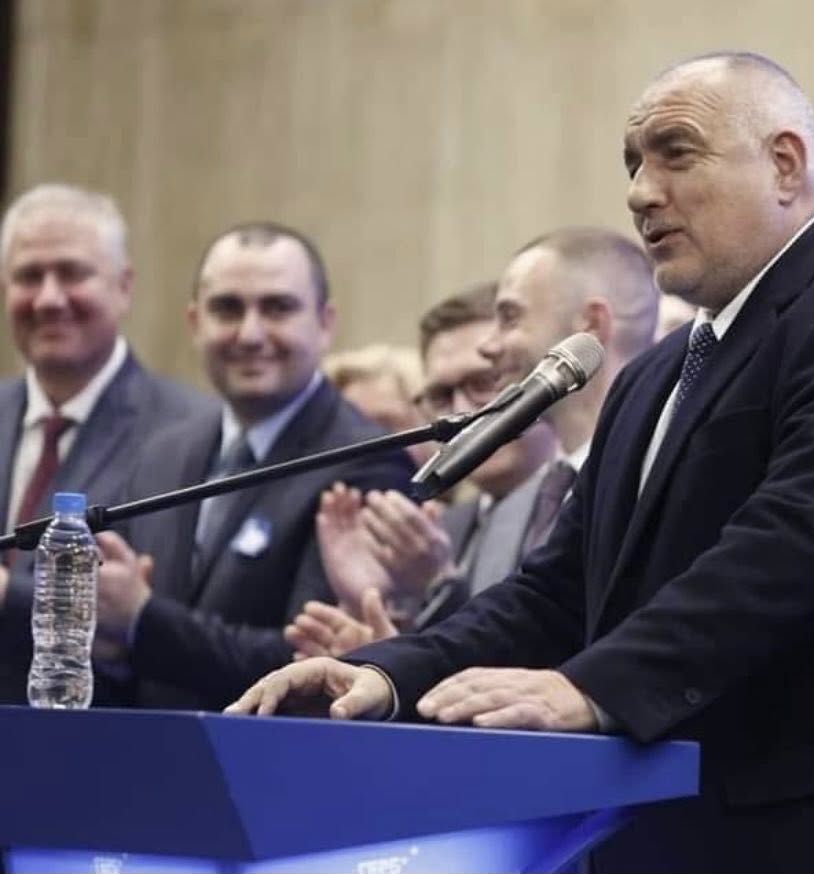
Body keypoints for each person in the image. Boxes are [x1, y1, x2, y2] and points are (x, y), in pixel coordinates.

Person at [229, 52, 814, 874]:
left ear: (785, 164)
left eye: (676, 154)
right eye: (633, 164)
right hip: (678, 833)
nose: (642, 191)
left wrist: (594, 688)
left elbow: (793, 549)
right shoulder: (654, 374)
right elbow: (558, 590)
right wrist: (386, 673)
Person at [90, 221, 413, 710]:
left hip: (266, 749)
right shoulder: (164, 453)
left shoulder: (367, 460)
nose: (250, 333)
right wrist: (111, 640)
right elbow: (125, 642)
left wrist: (142, 620)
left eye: (277, 308)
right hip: (147, 743)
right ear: (195, 322)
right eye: (227, 309)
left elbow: (309, 659)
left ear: (325, 322)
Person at [290, 230, 657, 655]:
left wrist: (432, 600)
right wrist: (386, 649)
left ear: (589, 324)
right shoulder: (530, 500)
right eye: (440, 395)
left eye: (510, 318)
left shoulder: (649, 478)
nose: (490, 346)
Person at [0, 183, 213, 702]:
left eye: (72, 273)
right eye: (29, 276)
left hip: (99, 730)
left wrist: (9, 597)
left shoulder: (188, 432)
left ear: (123, 287)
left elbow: (155, 617)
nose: (49, 299)